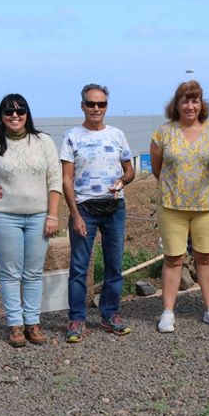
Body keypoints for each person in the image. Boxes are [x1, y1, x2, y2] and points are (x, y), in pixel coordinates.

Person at [0, 94, 61, 348]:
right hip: (5, 217)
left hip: (39, 216)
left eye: (20, 111)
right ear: (1, 116)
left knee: (34, 272)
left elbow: (55, 180)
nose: (15, 116)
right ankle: (15, 326)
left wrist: (52, 215)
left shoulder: (43, 141)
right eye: (9, 112)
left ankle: (33, 324)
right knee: (10, 273)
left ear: (28, 113)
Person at [150, 80, 209, 333]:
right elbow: (157, 169)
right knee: (173, 259)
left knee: (206, 258)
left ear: (201, 104)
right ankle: (168, 311)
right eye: (185, 100)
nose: (190, 105)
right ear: (177, 104)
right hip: (172, 206)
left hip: (206, 205)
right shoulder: (162, 133)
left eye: (195, 100)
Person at [61, 83, 136, 342]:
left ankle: (110, 314)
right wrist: (76, 215)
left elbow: (130, 170)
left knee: (114, 266)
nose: (96, 108)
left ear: (106, 106)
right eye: (91, 104)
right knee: (79, 268)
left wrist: (123, 181)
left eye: (101, 104)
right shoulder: (72, 136)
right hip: (85, 209)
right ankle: (77, 319)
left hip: (114, 208)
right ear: (82, 106)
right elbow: (66, 180)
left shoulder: (117, 135)